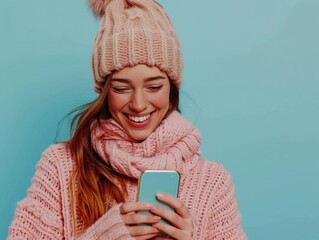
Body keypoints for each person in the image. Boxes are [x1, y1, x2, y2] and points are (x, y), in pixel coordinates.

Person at [8, 0, 247, 239]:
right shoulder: (60, 168)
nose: (139, 104)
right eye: (122, 88)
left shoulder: (213, 183)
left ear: (172, 88)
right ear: (104, 91)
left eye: (154, 87)